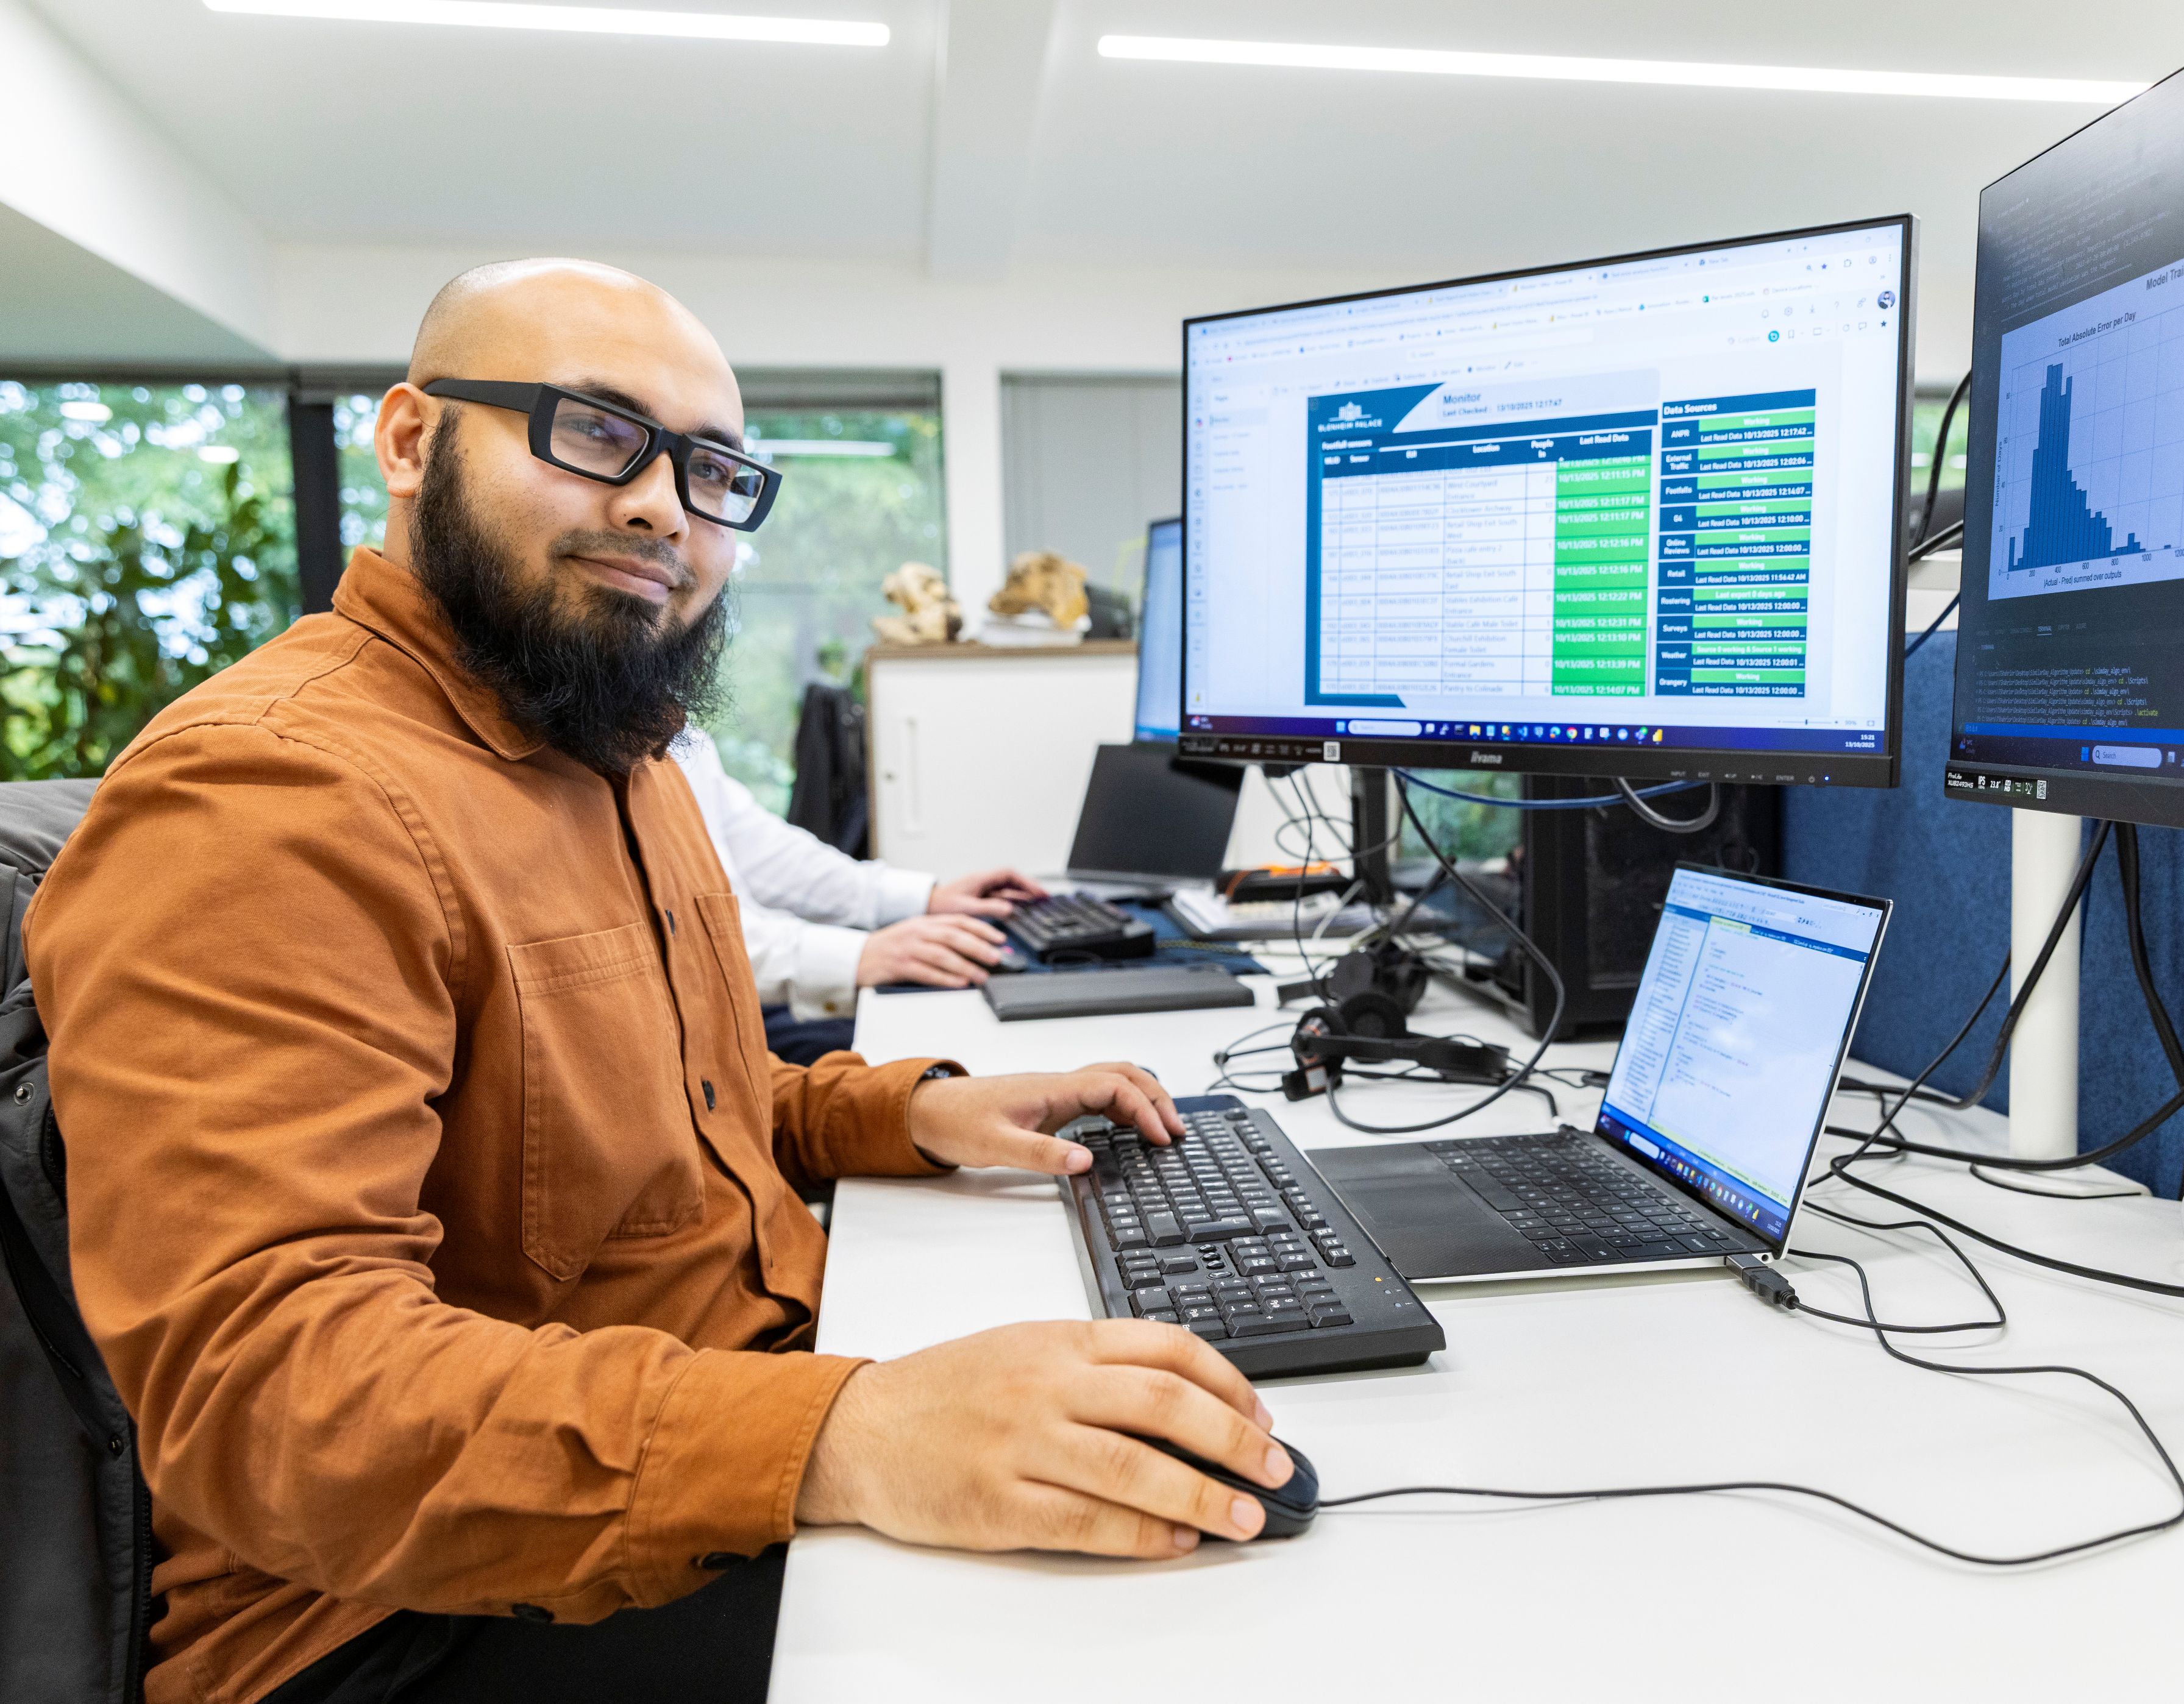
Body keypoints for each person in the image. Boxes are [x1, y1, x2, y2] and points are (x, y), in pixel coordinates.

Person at [28, 258, 1292, 1704]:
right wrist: (850, 1433)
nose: (661, 507)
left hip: (717, 1438)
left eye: (708, 471)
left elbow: (669, 1092)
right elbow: (279, 1398)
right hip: (406, 1620)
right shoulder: (270, 796)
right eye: (595, 434)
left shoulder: (610, 751)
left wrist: (910, 1111)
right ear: (405, 440)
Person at [667, 728, 1040, 1006]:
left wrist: (922, 899)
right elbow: (676, 942)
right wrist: (859, 956)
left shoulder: (673, 728)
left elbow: (760, 851)